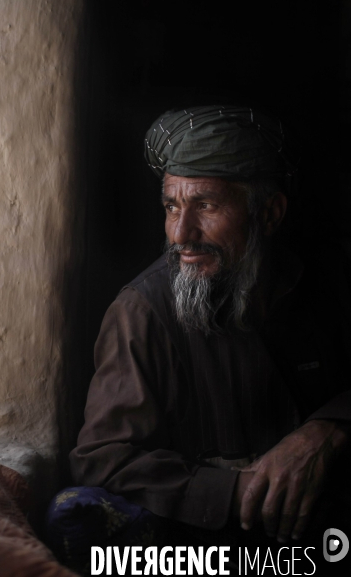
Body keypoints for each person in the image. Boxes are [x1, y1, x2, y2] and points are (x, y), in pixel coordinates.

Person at [49, 106, 351, 573]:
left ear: (268, 214)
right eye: (172, 206)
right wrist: (241, 490)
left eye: (206, 205)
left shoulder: (321, 287)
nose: (181, 234)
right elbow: (103, 459)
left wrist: (328, 428)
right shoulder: (142, 312)